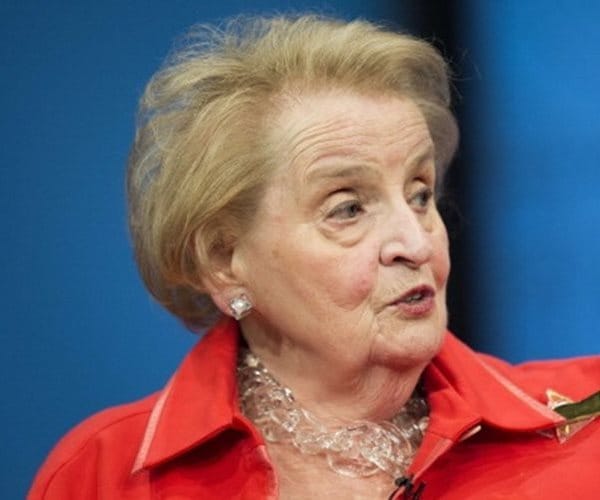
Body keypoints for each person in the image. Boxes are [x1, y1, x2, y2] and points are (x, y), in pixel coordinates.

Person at [29, 15, 600, 499]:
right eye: (348, 209)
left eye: (420, 194)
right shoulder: (104, 473)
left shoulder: (589, 424)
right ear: (224, 261)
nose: (418, 243)